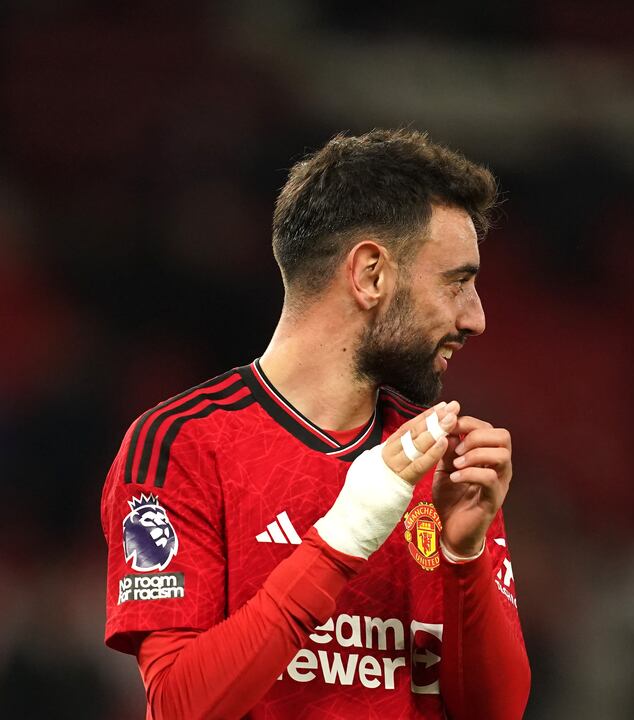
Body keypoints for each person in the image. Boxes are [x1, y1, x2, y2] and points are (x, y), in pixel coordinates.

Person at [100, 129, 529, 719]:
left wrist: (464, 556)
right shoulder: (183, 445)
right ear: (371, 274)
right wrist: (346, 535)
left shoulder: (444, 461)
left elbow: (496, 713)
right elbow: (179, 706)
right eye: (457, 282)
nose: (475, 317)